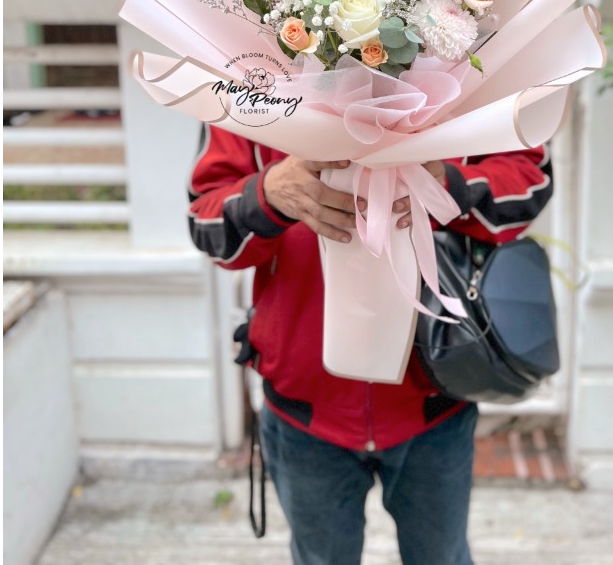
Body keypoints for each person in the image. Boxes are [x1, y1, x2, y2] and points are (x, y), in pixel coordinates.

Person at [187, 125, 555, 565]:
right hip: (304, 408)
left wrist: (450, 186)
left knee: (443, 558)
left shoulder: (464, 81)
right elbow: (206, 219)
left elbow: (530, 178)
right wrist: (267, 194)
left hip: (433, 397)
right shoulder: (251, 90)